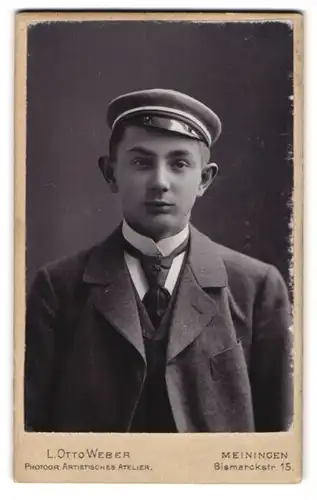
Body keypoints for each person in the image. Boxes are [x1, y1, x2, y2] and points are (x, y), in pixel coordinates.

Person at [24, 88, 293, 433]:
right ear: (110, 173)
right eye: (141, 162)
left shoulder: (256, 288)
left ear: (205, 179)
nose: (160, 182)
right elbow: (31, 433)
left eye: (179, 164)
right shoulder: (58, 287)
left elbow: (280, 438)